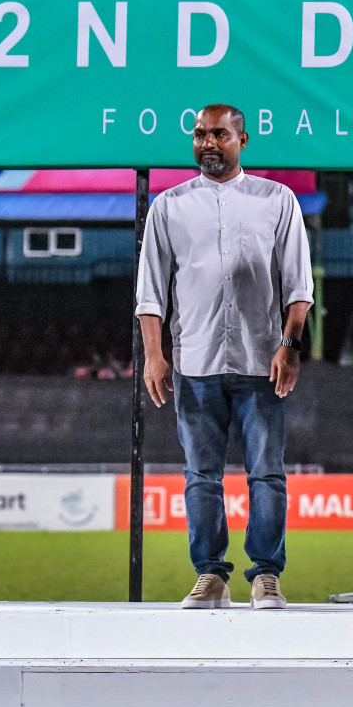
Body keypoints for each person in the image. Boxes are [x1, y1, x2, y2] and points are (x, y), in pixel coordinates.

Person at [136, 104, 313, 611]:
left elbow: (299, 285)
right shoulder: (169, 206)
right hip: (194, 362)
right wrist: (155, 355)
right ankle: (211, 576)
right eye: (199, 134)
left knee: (267, 475)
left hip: (263, 362)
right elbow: (150, 291)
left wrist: (291, 344)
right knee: (200, 476)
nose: (207, 143)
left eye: (219, 134)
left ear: (243, 140)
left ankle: (266, 576)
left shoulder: (276, 199)